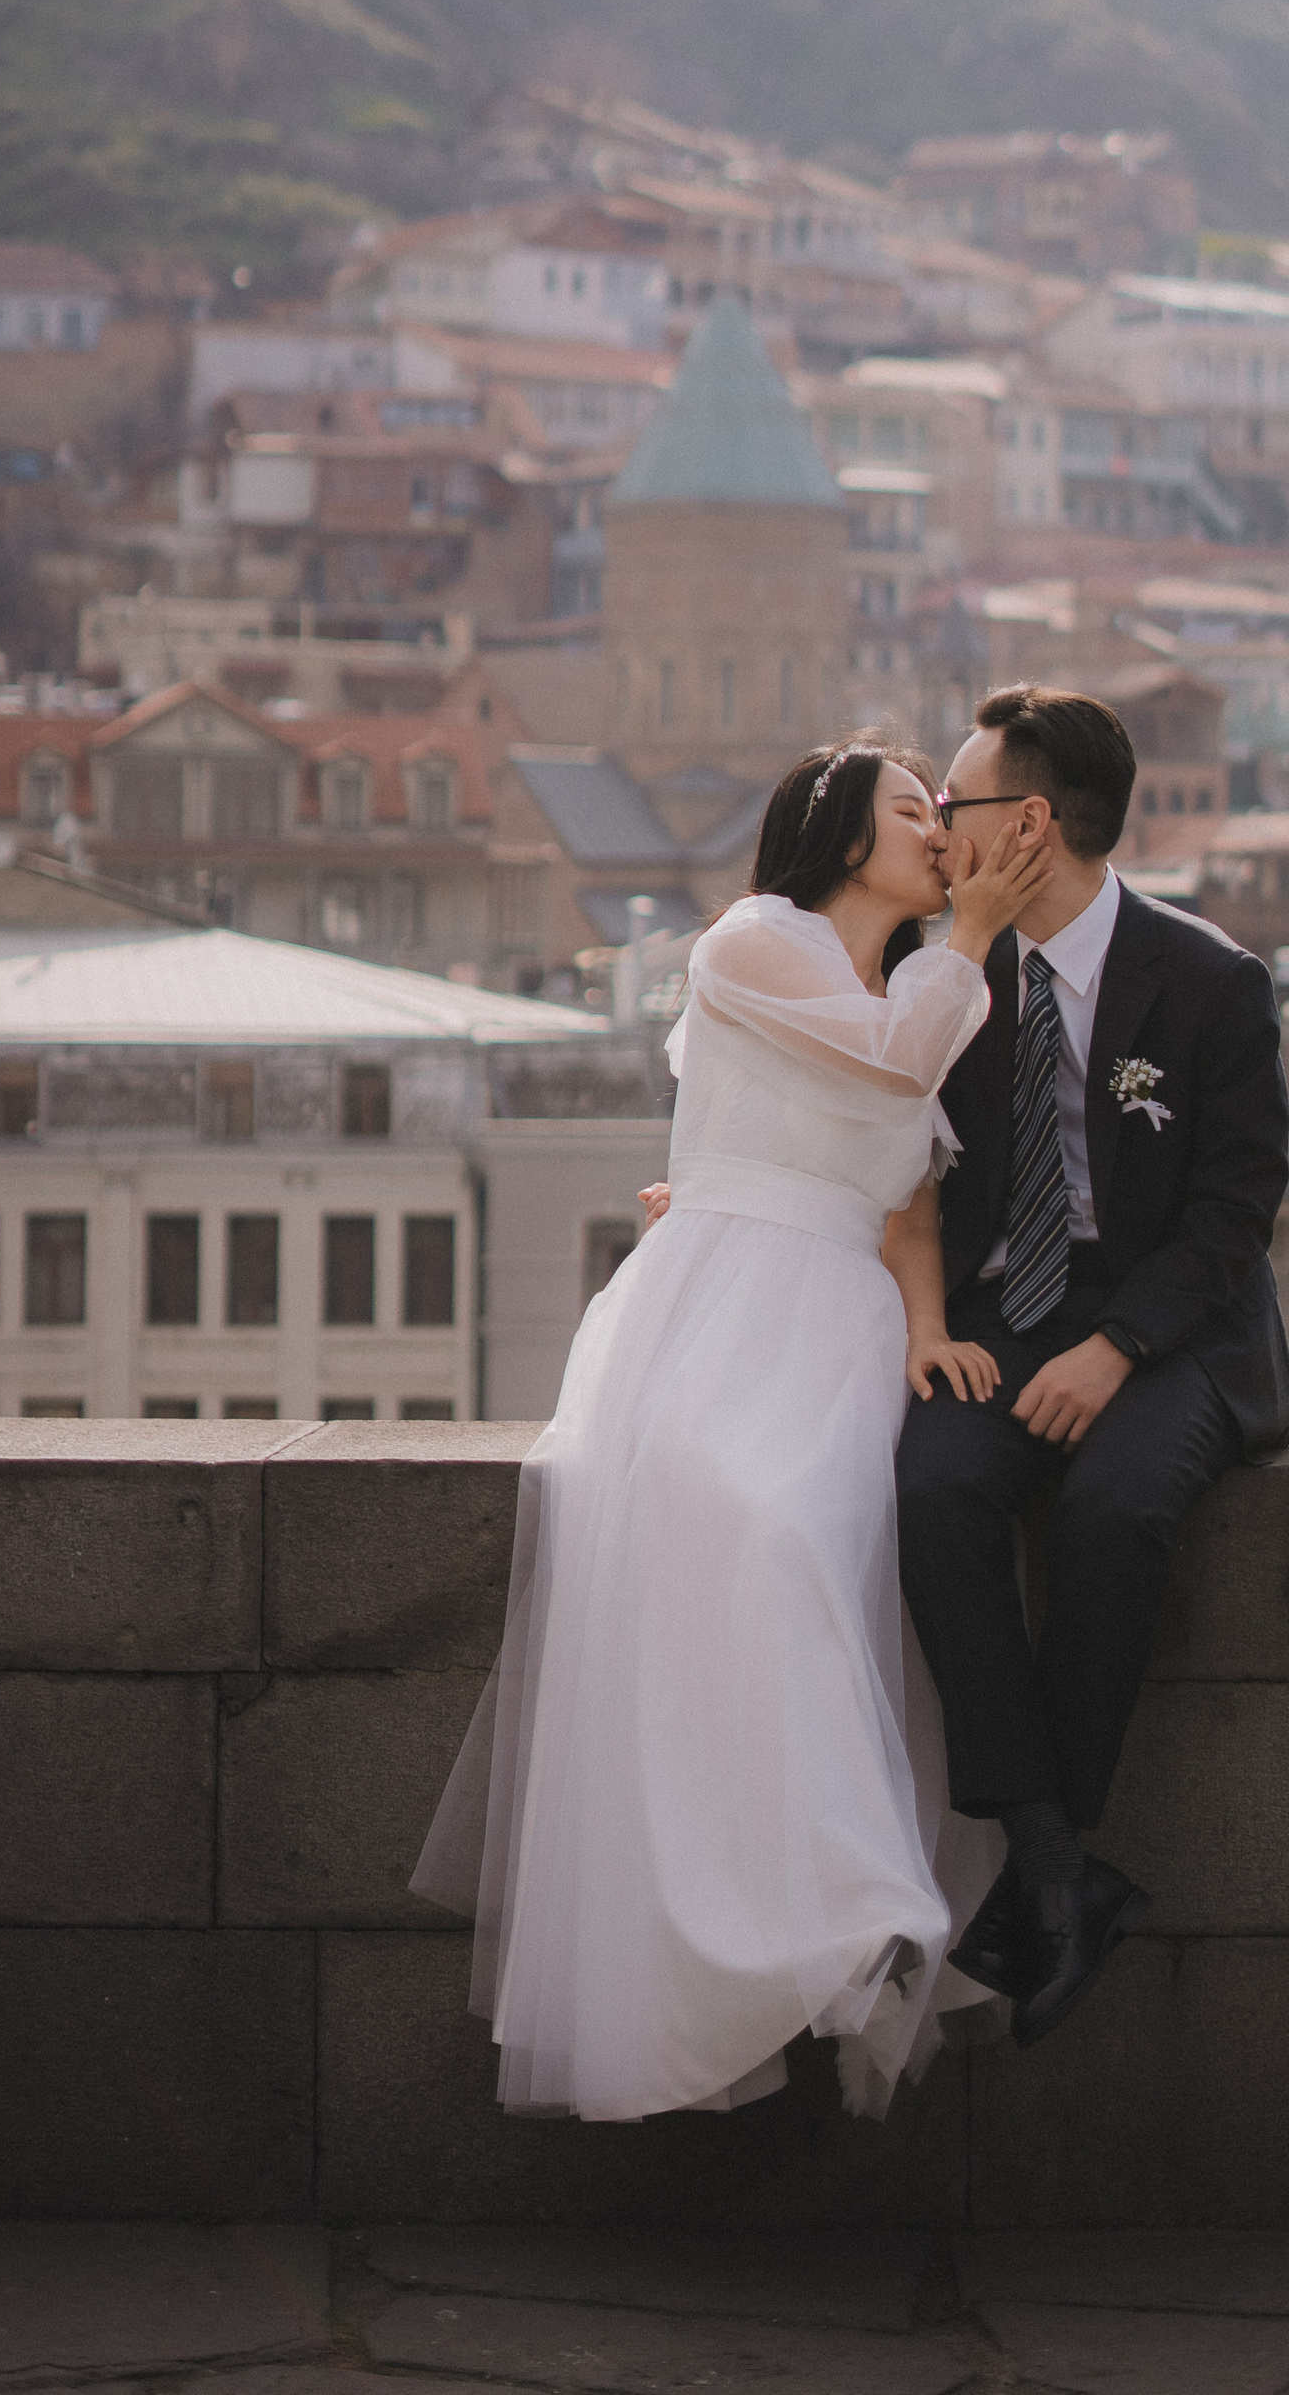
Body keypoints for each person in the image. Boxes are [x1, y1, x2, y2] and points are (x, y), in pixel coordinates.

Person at [411, 741, 1054, 2124]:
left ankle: (846, 1915)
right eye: (912, 811)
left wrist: (927, 1327)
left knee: (828, 1554)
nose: (939, 830)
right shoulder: (758, 939)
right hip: (728, 1299)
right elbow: (891, 1070)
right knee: (754, 1534)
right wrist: (976, 938)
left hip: (841, 1321)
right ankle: (804, 1920)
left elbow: (909, 1202)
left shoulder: (911, 988)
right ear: (840, 833)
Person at [895, 683, 1289, 2046]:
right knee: (936, 1490)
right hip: (1006, 1312)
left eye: (954, 804)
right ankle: (1056, 1861)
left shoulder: (1213, 983)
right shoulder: (949, 972)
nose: (936, 830)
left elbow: (1234, 1213)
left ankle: (1050, 1872)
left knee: (1116, 1509)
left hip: (1174, 1319)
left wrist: (1117, 1347)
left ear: (1032, 823)